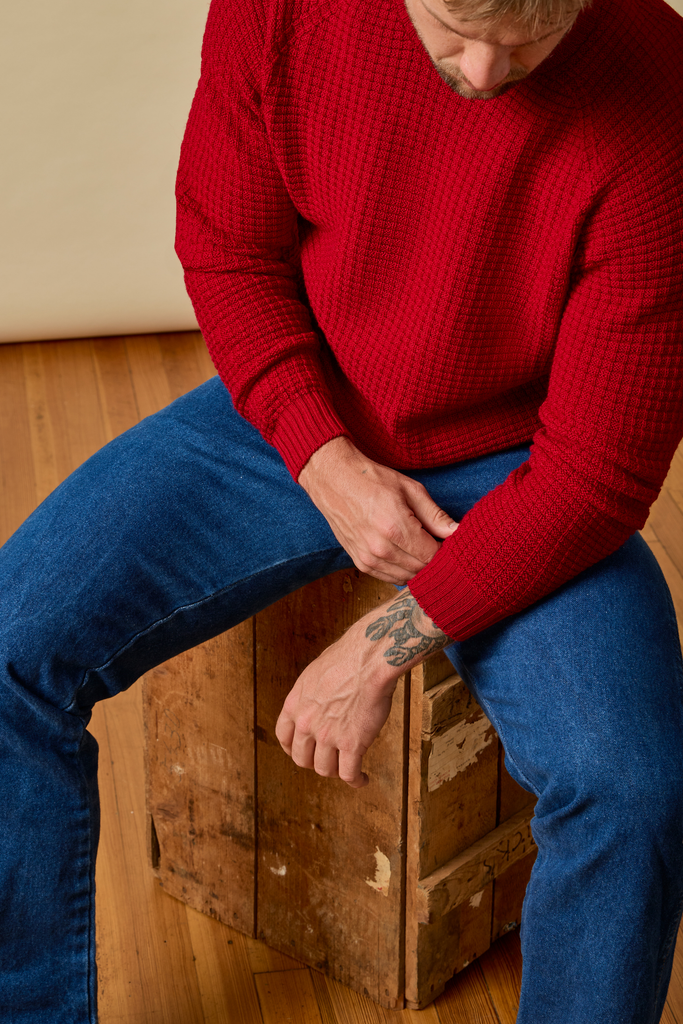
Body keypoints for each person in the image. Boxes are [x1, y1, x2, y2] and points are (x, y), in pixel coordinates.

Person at [1, 0, 683, 1018]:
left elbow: (596, 474)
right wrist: (322, 457)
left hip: (527, 468)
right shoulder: (278, 12)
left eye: (533, 37)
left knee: (632, 790)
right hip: (297, 418)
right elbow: (228, 252)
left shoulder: (658, 85)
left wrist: (384, 645)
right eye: (455, 28)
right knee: (10, 642)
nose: (490, 73)